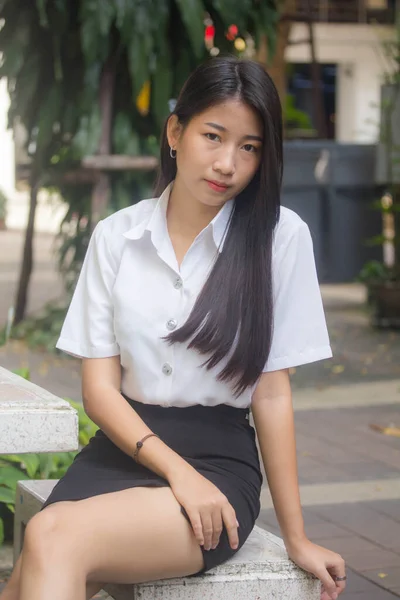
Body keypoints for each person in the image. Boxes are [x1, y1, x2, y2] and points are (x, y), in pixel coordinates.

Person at [1, 56, 346, 600]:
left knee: (51, 536)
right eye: (213, 136)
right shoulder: (117, 238)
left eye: (249, 147)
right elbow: (98, 391)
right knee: (35, 565)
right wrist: (174, 471)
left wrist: (297, 537)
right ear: (175, 132)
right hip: (121, 448)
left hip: (219, 462)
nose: (227, 163)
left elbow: (273, 395)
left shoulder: (281, 239)